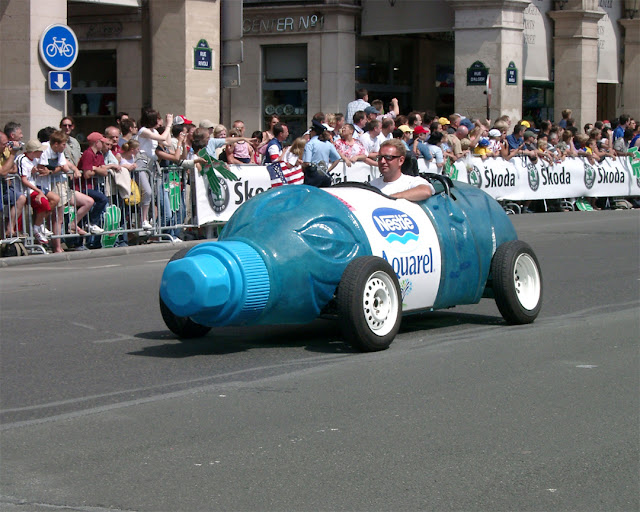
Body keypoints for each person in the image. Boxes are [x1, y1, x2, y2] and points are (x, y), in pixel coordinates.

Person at [15, 139, 59, 245]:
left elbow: (34, 172)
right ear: (33, 151)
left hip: (34, 188)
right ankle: (36, 229)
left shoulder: (34, 160)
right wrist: (39, 191)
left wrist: (39, 171)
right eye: (39, 151)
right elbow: (24, 179)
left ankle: (38, 226)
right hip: (25, 190)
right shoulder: (22, 159)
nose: (42, 153)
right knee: (43, 202)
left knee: (51, 201)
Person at [370, 139, 434, 202]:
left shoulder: (411, 182)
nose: (382, 161)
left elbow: (426, 191)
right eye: (380, 157)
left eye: (388, 157)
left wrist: (391, 197)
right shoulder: (371, 185)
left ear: (401, 160)